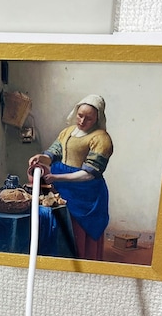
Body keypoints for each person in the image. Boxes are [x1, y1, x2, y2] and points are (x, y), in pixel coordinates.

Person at [28, 94, 113, 260]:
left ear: (97, 118)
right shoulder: (67, 132)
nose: (82, 121)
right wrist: (40, 157)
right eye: (80, 115)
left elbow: (89, 174)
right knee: (61, 226)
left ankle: (82, 262)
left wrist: (57, 178)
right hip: (61, 187)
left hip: (86, 193)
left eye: (88, 118)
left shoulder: (101, 139)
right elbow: (53, 154)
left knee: (79, 230)